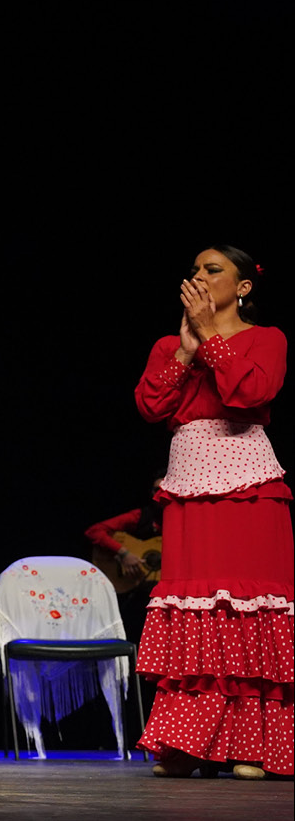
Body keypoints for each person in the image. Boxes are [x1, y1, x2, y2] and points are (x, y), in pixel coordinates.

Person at [133, 245, 291, 780]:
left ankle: (252, 745)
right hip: (187, 486)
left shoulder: (266, 339)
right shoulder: (168, 344)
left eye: (213, 269)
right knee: (191, 609)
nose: (198, 276)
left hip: (248, 488)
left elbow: (252, 393)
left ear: (243, 286)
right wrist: (183, 351)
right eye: (196, 268)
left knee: (247, 608)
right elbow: (151, 407)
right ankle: (187, 743)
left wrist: (212, 340)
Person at [83, 471, 165, 643]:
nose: (158, 494)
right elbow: (95, 531)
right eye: (155, 490)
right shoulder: (140, 516)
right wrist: (124, 553)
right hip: (134, 592)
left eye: (163, 489)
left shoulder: (183, 521)